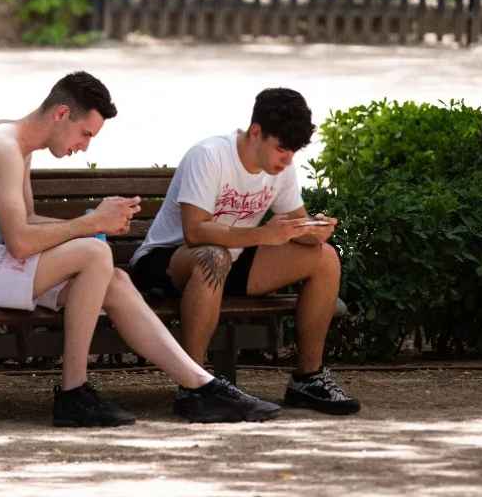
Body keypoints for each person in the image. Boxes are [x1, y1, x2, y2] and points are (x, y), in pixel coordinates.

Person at [0, 72, 281, 426]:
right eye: (85, 133)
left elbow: (26, 220)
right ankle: (72, 392)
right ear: (61, 113)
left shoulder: (16, 144)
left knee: (116, 280)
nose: (84, 146)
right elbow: (20, 242)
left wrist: (96, 219)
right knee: (95, 254)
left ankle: (203, 386)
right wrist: (92, 226)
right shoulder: (4, 146)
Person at [129, 87, 360, 415]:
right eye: (282, 148)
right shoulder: (210, 155)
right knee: (213, 256)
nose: (288, 159)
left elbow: (295, 223)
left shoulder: (281, 169)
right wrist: (265, 234)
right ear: (256, 133)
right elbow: (195, 232)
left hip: (233, 258)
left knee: (324, 258)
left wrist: (313, 231)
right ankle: (195, 386)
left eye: (293, 151)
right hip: (169, 259)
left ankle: (307, 380)